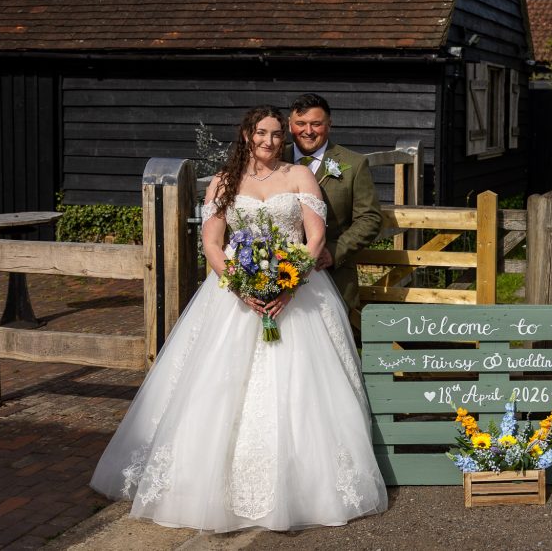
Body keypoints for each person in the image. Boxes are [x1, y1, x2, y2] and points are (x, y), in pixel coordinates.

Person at [90, 105, 387, 532]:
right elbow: (212, 244)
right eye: (262, 133)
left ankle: (307, 487)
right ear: (247, 135)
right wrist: (242, 287)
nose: (270, 141)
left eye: (277, 134)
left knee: (304, 387)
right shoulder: (223, 183)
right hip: (233, 293)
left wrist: (288, 283)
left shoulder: (299, 177)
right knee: (213, 384)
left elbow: (315, 235)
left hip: (298, 292)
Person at [285, 93, 382, 314]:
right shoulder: (275, 159)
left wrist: (334, 251)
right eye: (300, 123)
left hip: (330, 272)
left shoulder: (353, 164)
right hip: (278, 272)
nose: (308, 131)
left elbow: (370, 218)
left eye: (316, 124)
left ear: (329, 124)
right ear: (290, 126)